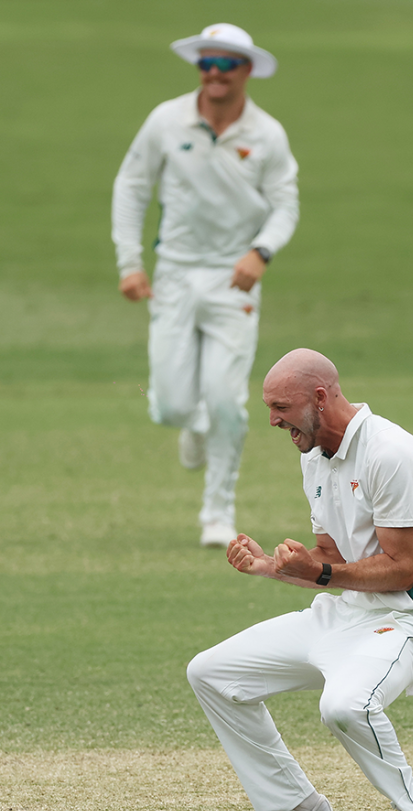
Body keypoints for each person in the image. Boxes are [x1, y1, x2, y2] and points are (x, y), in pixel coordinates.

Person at [186, 349, 413, 811]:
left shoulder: (393, 455)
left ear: (321, 397)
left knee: (344, 707)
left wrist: (322, 570)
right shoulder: (314, 457)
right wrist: (272, 565)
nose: (272, 420)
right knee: (211, 673)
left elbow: (401, 568)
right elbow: (329, 558)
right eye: (269, 407)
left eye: (281, 406)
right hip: (343, 614)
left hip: (408, 620)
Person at [112, 23, 299, 547]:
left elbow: (286, 204)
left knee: (226, 399)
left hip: (234, 279)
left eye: (225, 65)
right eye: (206, 64)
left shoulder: (267, 134)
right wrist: (130, 263)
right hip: (174, 271)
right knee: (172, 405)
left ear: (246, 70)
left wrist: (260, 253)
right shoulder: (167, 120)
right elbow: (131, 187)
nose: (214, 74)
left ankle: (217, 513)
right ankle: (191, 421)